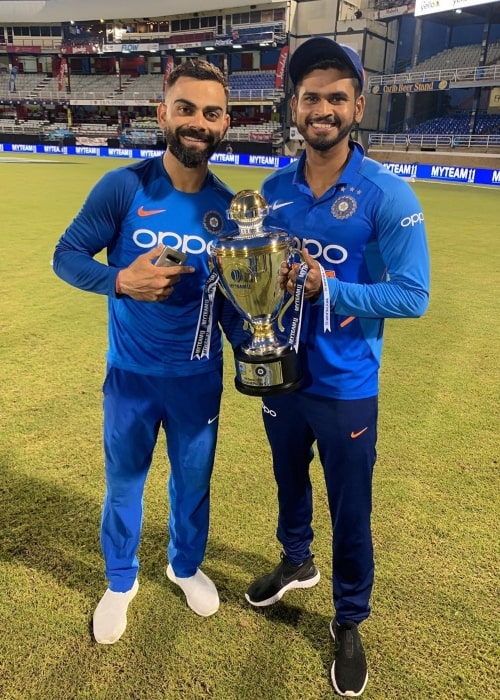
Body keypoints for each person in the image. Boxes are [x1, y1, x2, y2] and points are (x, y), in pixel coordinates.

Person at [244, 37, 430, 697]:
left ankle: (349, 619)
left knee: (351, 508)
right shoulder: (270, 190)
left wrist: (334, 290)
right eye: (310, 96)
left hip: (347, 384)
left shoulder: (387, 193)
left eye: (335, 97)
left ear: (356, 105)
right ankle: (297, 562)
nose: (321, 108)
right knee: (287, 480)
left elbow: (413, 295)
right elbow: (259, 280)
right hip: (281, 374)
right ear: (295, 105)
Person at [53, 60, 246, 645]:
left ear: (224, 124)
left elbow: (235, 305)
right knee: (124, 483)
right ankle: (120, 581)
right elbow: (67, 256)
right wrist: (120, 280)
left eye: (210, 112)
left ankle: (183, 567)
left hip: (198, 378)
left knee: (193, 484)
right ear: (163, 114)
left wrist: (261, 348)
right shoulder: (125, 187)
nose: (196, 122)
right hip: (132, 376)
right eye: (185, 108)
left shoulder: (230, 210)